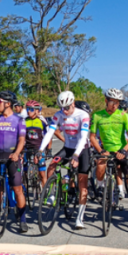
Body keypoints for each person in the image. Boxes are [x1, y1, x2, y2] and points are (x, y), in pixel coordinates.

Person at [90, 88, 128, 231]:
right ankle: (101, 187)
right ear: (106, 101)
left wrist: (124, 150)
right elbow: (92, 137)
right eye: (113, 102)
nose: (115, 105)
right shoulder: (97, 116)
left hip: (122, 151)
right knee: (100, 164)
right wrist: (101, 150)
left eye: (117, 102)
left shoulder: (123, 116)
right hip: (106, 151)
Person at [39, 91, 91, 230]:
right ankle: (52, 193)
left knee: (82, 182)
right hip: (68, 148)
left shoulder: (83, 115)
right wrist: (40, 150)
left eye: (67, 108)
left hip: (82, 149)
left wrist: (76, 155)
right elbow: (50, 132)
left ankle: (80, 218)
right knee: (52, 165)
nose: (65, 111)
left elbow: (83, 136)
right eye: (62, 108)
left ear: (73, 104)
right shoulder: (58, 115)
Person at [0, 90, 28, 233]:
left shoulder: (19, 120)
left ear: (7, 104)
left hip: (12, 156)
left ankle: (22, 219)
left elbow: (22, 139)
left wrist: (16, 153)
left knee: (17, 188)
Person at [23, 100, 49, 190]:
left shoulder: (42, 121)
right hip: (27, 148)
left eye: (31, 109)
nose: (28, 111)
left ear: (37, 111)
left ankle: (45, 193)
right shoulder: (24, 121)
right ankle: (25, 190)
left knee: (42, 173)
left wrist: (49, 149)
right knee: (24, 172)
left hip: (39, 149)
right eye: (27, 109)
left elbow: (48, 136)